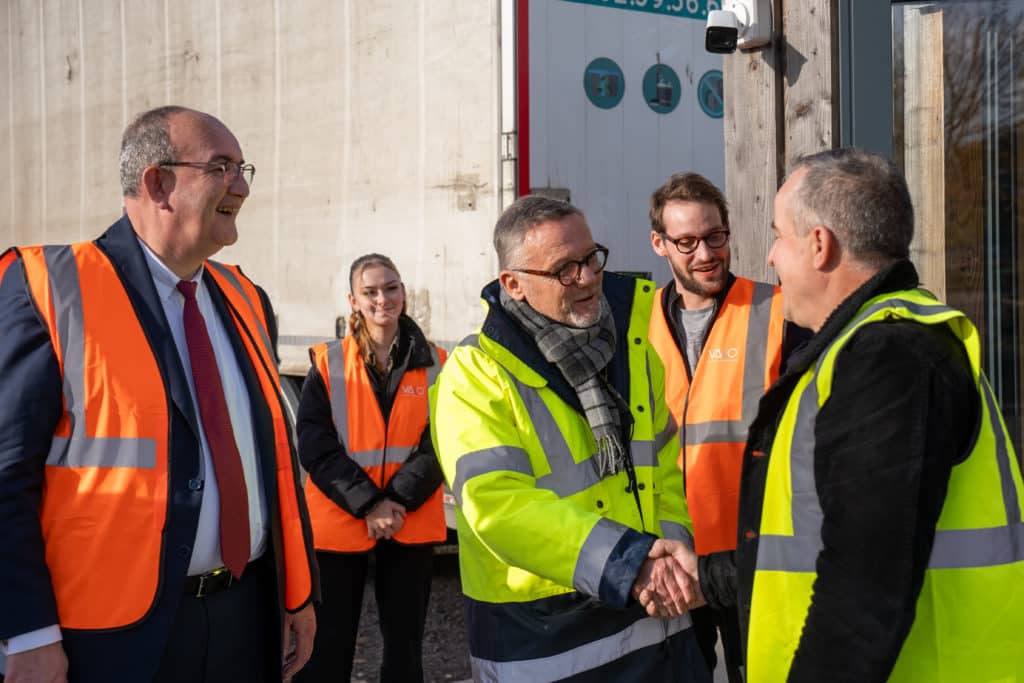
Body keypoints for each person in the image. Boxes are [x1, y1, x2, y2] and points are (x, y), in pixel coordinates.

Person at [672, 148, 1024, 681]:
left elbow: (861, 593)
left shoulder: (889, 359)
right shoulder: (871, 349)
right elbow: (818, 543)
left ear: (819, 245)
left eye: (778, 236)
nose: (770, 258)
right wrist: (707, 576)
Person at [0, 105, 319, 682]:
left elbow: (271, 463)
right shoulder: (49, 288)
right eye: (222, 167)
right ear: (157, 183)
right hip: (111, 638)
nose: (242, 185)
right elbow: (5, 476)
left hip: (244, 616)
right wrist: (27, 633)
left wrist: (297, 595)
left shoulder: (245, 298)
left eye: (244, 168)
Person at [430, 195, 711, 681]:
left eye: (590, 258)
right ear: (512, 284)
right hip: (546, 642)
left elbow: (664, 465)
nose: (586, 277)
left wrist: (671, 554)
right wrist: (629, 563)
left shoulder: (633, 346)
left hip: (657, 620)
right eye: (563, 269)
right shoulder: (476, 373)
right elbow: (498, 507)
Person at [646, 172, 805, 682]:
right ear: (659, 244)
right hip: (669, 553)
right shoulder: (635, 324)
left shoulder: (777, 310)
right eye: (687, 242)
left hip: (748, 554)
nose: (706, 253)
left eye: (716, 236)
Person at [294, 253, 447, 682]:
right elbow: (315, 447)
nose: (384, 299)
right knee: (327, 651)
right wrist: (369, 505)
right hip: (340, 524)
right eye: (371, 291)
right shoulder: (329, 363)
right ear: (354, 300)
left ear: (404, 292)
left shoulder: (437, 362)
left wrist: (394, 502)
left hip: (408, 522)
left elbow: (441, 443)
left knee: (405, 653)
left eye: (392, 287)